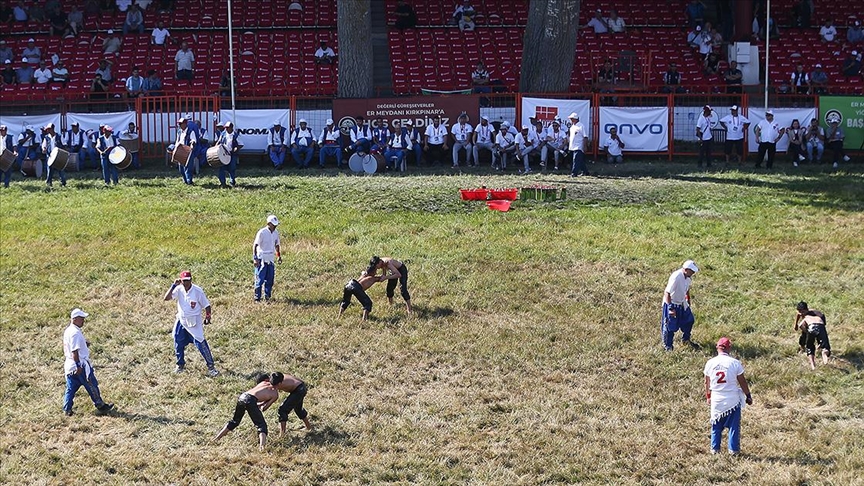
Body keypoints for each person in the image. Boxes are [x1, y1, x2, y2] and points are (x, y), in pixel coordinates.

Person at [163, 270, 219, 376]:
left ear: (191, 280)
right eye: (184, 281)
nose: (186, 283)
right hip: (182, 319)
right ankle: (180, 365)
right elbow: (166, 298)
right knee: (177, 340)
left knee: (201, 343)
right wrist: (173, 285)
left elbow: (207, 305)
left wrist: (208, 317)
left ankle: (211, 367)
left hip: (194, 321)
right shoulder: (178, 289)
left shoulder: (197, 291)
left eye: (188, 281)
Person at [704, 337, 752, 455]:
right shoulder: (735, 363)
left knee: (716, 425)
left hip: (717, 398)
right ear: (729, 348)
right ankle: (733, 450)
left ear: (717, 347)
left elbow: (707, 382)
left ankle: (715, 449)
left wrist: (708, 396)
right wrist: (748, 395)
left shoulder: (710, 363)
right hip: (732, 399)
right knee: (733, 426)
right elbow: (742, 381)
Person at [62, 308, 115, 416]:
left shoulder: (69, 330)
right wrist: (78, 365)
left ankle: (67, 409)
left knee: (71, 388)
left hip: (69, 365)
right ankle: (100, 405)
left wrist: (84, 344)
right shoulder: (75, 333)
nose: (83, 321)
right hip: (79, 365)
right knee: (92, 385)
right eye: (81, 319)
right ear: (75, 319)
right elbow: (74, 351)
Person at [213, 373, 281, 450]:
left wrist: (257, 404)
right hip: (251, 401)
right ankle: (262, 448)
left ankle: (216, 439)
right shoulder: (275, 394)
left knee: (235, 421)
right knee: (261, 425)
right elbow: (264, 408)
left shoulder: (263, 383)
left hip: (242, 396)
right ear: (279, 383)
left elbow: (255, 395)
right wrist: (261, 405)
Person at [661, 260, 699, 351]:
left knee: (689, 320)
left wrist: (688, 298)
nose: (693, 273)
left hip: (682, 303)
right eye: (692, 271)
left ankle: (686, 339)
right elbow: (667, 292)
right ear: (686, 269)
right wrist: (670, 308)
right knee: (670, 326)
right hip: (672, 303)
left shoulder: (688, 278)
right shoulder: (677, 276)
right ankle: (668, 346)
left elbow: (686, 288)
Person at [252, 215, 282, 302]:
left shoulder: (276, 233)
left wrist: (279, 255)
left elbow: (277, 244)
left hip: (270, 257)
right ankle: (257, 297)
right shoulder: (262, 232)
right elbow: (255, 245)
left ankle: (267, 296)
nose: (275, 226)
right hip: (262, 257)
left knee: (270, 278)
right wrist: (255, 258)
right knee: (260, 278)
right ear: (268, 223)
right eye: (273, 225)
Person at [794, 302, 831, 370]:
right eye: (800, 311)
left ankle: (814, 362)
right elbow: (798, 315)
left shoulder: (815, 313)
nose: (801, 313)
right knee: (803, 338)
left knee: (814, 341)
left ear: (807, 309)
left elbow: (823, 320)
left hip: (811, 326)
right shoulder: (800, 313)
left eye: (803, 312)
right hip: (807, 327)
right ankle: (802, 348)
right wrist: (795, 324)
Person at [216, 120, 241, 187]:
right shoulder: (223, 134)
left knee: (232, 168)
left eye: (227, 128)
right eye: (225, 127)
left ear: (231, 128)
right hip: (223, 153)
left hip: (232, 153)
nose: (226, 129)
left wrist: (236, 148)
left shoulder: (235, 135)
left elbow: (241, 144)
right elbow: (219, 141)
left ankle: (232, 181)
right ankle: (222, 182)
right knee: (222, 168)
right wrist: (216, 147)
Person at [174, 117, 197, 184]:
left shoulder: (191, 131)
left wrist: (192, 144)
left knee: (188, 167)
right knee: (181, 168)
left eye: (181, 124)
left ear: (185, 124)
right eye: (179, 124)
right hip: (180, 150)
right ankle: (185, 179)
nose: (180, 125)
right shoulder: (179, 131)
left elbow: (193, 140)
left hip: (187, 151)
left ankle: (189, 180)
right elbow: (177, 140)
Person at [568, 112, 589, 177]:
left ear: (575, 119)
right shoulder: (572, 126)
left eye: (572, 118)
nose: (571, 120)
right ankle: (585, 172)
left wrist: (585, 146)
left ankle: (574, 173)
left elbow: (585, 137)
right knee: (580, 160)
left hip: (579, 146)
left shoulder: (581, 126)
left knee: (576, 160)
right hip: (573, 146)